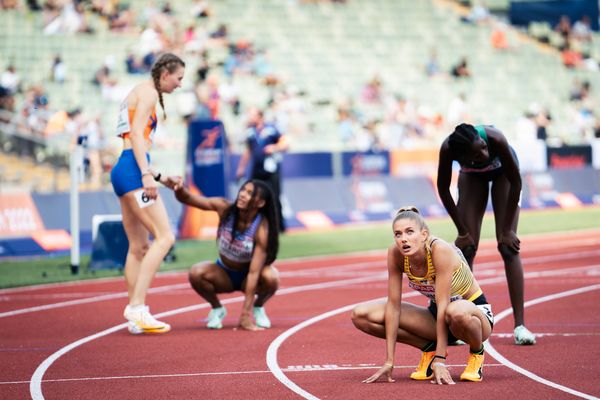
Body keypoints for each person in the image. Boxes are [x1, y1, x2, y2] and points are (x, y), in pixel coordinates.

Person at [352, 207, 494, 384]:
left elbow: (444, 305)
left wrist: (441, 361)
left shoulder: (440, 250)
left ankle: (476, 353)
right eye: (398, 234)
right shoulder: (396, 254)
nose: (403, 239)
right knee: (361, 315)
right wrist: (389, 361)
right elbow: (393, 306)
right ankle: (429, 349)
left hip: (473, 316)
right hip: (438, 317)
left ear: (424, 234)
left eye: (409, 232)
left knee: (455, 310)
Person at [436, 123, 536, 345]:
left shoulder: (496, 139)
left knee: (508, 247)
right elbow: (443, 189)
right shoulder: (448, 149)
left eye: (483, 148)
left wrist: (508, 230)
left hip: (505, 176)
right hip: (472, 176)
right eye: (477, 153)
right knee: (466, 248)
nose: (484, 153)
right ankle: (462, 322)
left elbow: (516, 181)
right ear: (462, 155)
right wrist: (462, 231)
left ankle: (520, 326)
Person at [110, 52, 185, 335]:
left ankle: (135, 314)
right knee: (165, 237)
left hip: (124, 170)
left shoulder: (138, 91)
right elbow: (138, 136)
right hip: (132, 172)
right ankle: (138, 307)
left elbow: (133, 141)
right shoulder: (149, 93)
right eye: (178, 78)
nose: (179, 84)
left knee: (139, 247)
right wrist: (145, 175)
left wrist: (160, 177)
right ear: (165, 74)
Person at [167, 178, 280, 331]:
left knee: (271, 277)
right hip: (224, 273)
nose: (242, 195)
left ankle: (258, 307)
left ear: (260, 203)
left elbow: (254, 273)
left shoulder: (261, 229)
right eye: (243, 190)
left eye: (249, 193)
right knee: (196, 272)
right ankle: (217, 308)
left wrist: (245, 316)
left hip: (248, 276)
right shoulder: (225, 208)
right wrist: (179, 188)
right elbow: (188, 198)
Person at [236, 107, 289, 232]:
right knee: (255, 197)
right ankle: (256, 226)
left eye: (253, 115)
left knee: (275, 197)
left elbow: (285, 143)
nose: (250, 118)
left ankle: (278, 226)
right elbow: (248, 151)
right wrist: (241, 168)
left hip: (271, 169)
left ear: (260, 116)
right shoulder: (250, 131)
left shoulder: (271, 128)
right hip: (257, 168)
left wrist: (274, 147)